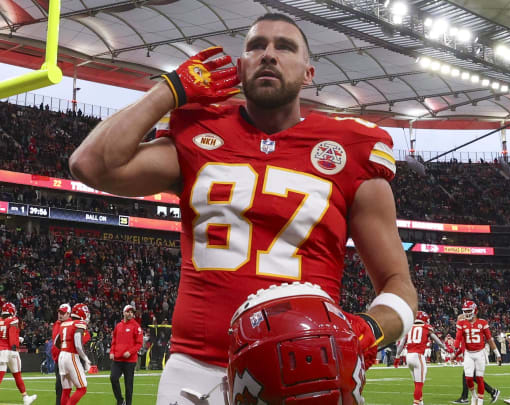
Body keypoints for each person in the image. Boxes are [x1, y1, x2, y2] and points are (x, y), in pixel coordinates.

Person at [68, 11, 417, 403]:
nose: (269, 55)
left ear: (308, 73)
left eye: (284, 47)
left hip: (307, 374)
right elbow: (90, 164)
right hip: (195, 373)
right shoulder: (200, 131)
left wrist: (366, 330)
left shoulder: (350, 148)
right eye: (256, 47)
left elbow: (398, 285)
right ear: (239, 67)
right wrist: (170, 89)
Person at [0, 302, 37, 405]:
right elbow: (11, 336)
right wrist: (15, 347)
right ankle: (25, 398)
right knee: (17, 375)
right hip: (9, 350)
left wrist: (16, 338)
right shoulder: (13, 320)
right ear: (11, 310)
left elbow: (1, 335)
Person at [454, 301, 502, 405]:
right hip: (468, 354)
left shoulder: (482, 323)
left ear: (475, 311)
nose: (466, 313)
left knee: (479, 378)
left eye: (468, 311)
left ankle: (479, 402)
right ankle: (474, 396)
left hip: (480, 353)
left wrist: (497, 354)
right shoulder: (462, 323)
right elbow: (458, 338)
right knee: (468, 378)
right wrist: (454, 349)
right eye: (465, 311)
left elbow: (489, 339)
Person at [396, 311, 445, 405]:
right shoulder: (426, 327)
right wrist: (446, 348)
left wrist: (397, 357)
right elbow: (438, 341)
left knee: (416, 382)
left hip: (408, 356)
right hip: (418, 356)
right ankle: (416, 403)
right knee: (419, 384)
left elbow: (401, 344)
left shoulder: (409, 328)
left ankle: (420, 402)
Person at [55, 304, 92, 405]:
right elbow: (78, 344)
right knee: (82, 388)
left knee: (66, 390)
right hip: (71, 356)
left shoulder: (64, 324)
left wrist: (64, 349)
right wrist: (85, 358)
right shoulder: (79, 323)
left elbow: (55, 342)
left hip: (62, 355)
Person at [109, 305, 143, 405]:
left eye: (132, 312)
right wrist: (111, 352)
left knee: (128, 386)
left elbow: (139, 343)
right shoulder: (118, 326)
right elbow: (114, 341)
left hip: (130, 361)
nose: (130, 314)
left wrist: (130, 352)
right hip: (118, 359)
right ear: (124, 313)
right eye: (128, 312)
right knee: (113, 378)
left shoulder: (136, 326)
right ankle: (120, 400)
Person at [52, 303, 72, 405]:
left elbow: (85, 337)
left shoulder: (71, 324)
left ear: (68, 314)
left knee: (63, 386)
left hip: (66, 360)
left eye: (63, 313)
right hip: (57, 360)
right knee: (59, 387)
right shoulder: (57, 323)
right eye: (59, 312)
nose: (60, 315)